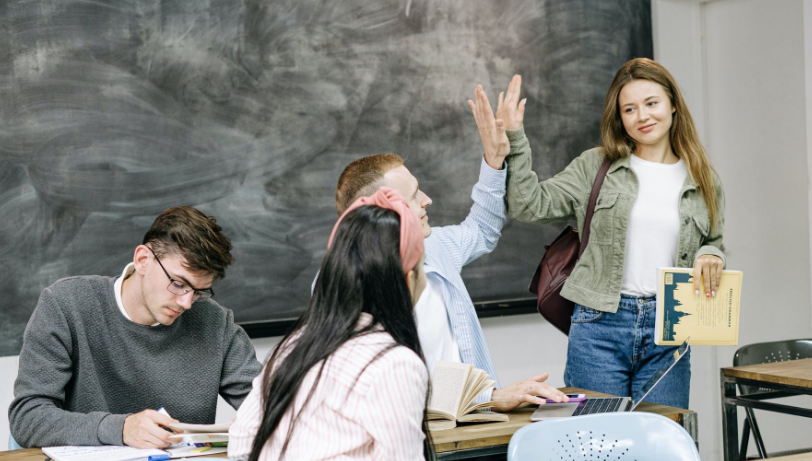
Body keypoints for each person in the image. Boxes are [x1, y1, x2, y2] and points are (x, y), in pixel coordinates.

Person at [479, 58, 725, 409]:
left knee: (660, 441)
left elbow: (712, 239)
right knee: (597, 442)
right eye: (630, 109)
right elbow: (529, 205)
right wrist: (516, 139)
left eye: (651, 103)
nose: (642, 116)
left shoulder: (702, 178)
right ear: (620, 118)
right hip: (600, 325)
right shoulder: (596, 165)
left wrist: (711, 254)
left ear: (672, 104)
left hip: (670, 328)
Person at [332, 98, 568, 411]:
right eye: (414, 196)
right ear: (382, 212)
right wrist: (490, 398)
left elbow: (481, 230)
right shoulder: (341, 286)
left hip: (471, 427)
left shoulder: (435, 247)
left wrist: (494, 161)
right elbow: (386, 393)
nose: (428, 200)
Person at [9, 206, 261, 448]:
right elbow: (28, 417)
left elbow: (269, 406)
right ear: (142, 259)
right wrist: (121, 429)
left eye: (199, 292)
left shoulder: (215, 323)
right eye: (177, 283)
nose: (186, 302)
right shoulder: (66, 305)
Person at [229, 188, 432, 461]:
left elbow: (241, 445)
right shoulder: (396, 364)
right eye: (423, 267)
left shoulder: (294, 345)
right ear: (406, 282)